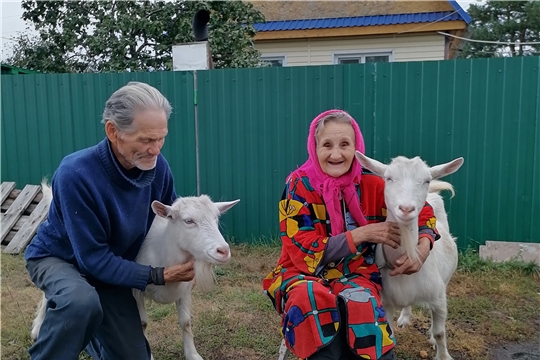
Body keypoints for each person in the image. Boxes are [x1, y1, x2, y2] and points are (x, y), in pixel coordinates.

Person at [25, 82, 195, 360]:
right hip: (59, 259)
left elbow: (171, 221)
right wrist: (157, 275)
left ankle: (92, 332)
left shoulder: (158, 168)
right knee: (80, 302)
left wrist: (192, 253)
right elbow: (92, 259)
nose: (155, 149)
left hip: (110, 268)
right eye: (146, 140)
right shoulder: (76, 174)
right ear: (113, 131)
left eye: (161, 138)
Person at [263, 109, 439, 360]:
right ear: (314, 148)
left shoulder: (373, 182)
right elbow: (302, 247)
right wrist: (361, 234)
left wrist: (423, 247)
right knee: (309, 298)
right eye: (327, 145)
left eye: (345, 144)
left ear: (357, 147)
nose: (336, 154)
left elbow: (423, 211)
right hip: (302, 272)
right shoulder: (298, 186)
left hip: (357, 271)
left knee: (362, 303)